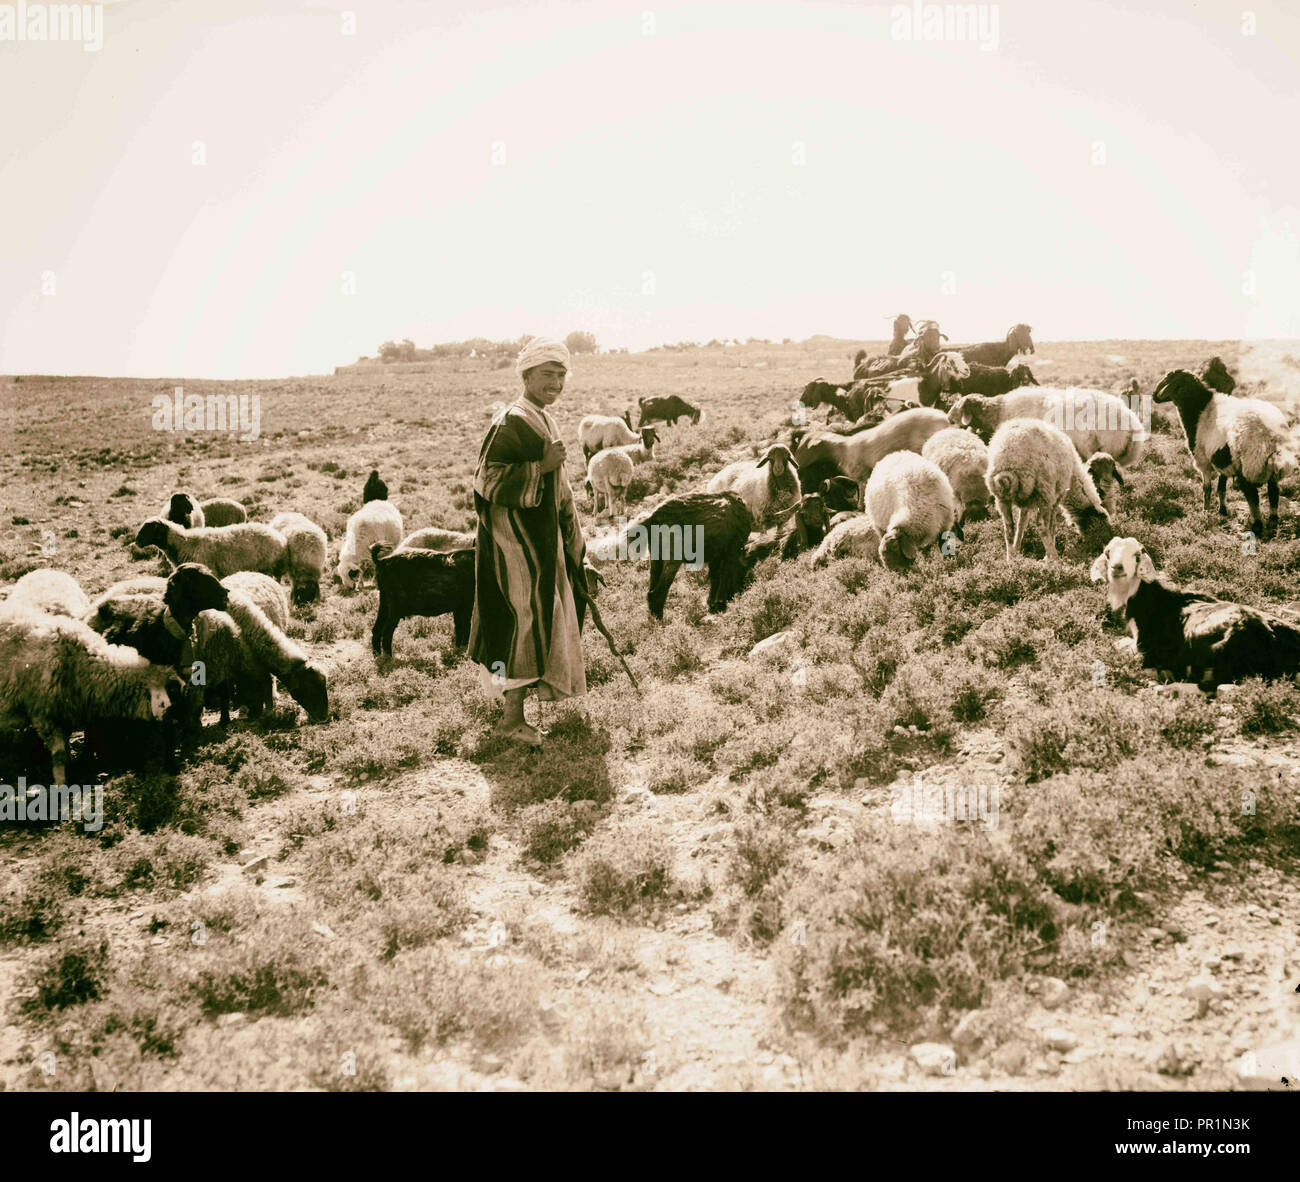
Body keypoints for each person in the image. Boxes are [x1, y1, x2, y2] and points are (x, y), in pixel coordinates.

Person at [468, 336, 590, 747]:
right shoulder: (511, 420)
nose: (556, 382)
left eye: (561, 375)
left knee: (536, 619)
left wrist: (573, 537)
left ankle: (516, 712)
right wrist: (540, 468)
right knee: (523, 620)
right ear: (526, 375)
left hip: (540, 544)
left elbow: (560, 488)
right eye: (547, 374)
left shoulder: (541, 417)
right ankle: (510, 721)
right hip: (515, 549)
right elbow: (487, 481)